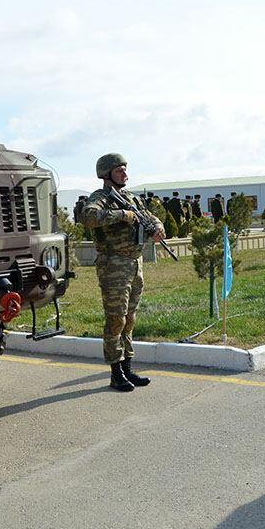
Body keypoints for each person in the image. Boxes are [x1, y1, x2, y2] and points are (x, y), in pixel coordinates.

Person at [81, 153, 165, 392]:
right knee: (116, 319)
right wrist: (122, 215)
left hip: (135, 264)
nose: (125, 174)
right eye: (119, 170)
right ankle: (115, 373)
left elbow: (150, 217)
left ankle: (127, 367)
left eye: (125, 169)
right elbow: (88, 217)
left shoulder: (131, 198)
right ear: (106, 174)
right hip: (113, 265)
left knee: (129, 319)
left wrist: (158, 227)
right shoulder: (100, 198)